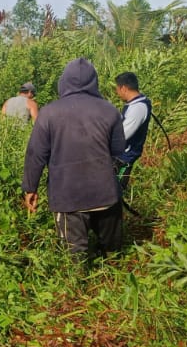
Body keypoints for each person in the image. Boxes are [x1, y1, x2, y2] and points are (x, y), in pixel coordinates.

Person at [22, 58, 125, 263]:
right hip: (105, 193)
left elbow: (35, 154)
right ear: (94, 82)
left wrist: (30, 188)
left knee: (74, 255)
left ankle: (78, 288)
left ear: (64, 82)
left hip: (67, 195)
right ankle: (116, 286)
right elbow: (118, 151)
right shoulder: (110, 110)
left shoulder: (49, 113)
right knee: (113, 255)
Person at [113, 71, 151, 193]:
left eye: (117, 89)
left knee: (115, 191)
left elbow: (123, 135)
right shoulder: (135, 104)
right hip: (120, 155)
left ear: (123, 88)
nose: (117, 93)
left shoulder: (138, 108)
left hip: (125, 157)